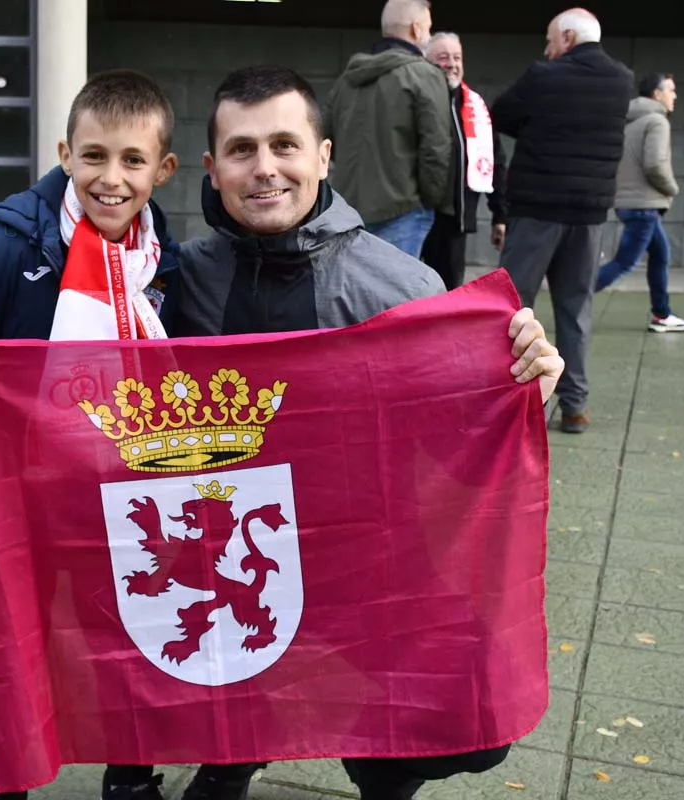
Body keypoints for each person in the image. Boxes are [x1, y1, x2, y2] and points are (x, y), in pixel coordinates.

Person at [177, 64, 565, 800]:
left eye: (286, 146)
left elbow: (456, 445)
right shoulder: (177, 281)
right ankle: (231, 754)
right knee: (224, 679)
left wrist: (522, 394)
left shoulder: (403, 289)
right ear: (212, 167)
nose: (265, 169)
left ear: (324, 156)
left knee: (439, 729)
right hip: (233, 556)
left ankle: (385, 771)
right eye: (242, 149)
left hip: (366, 558)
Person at [0, 70, 259, 800]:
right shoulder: (6, 243)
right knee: (9, 629)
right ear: (65, 154)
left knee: (139, 623)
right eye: (93, 157)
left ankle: (130, 771)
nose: (111, 178)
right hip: (23, 488)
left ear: (164, 169)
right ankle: (7, 773)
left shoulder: (168, 264)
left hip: (124, 490)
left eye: (131, 160)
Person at [491, 8, 633, 434]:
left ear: (568, 37)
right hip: (589, 216)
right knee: (575, 310)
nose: (547, 49)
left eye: (551, 41)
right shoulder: (622, 80)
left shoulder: (544, 75)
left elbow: (503, 113)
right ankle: (575, 406)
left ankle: (501, 398)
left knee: (509, 307)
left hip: (537, 211)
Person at [326, 0, 452, 258]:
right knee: (397, 297)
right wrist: (430, 200)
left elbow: (326, 140)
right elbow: (436, 149)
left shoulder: (345, 81)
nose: (429, 36)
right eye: (428, 29)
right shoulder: (425, 75)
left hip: (349, 213)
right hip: (403, 212)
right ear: (416, 29)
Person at [595, 72, 684, 332]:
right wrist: (672, 188)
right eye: (671, 90)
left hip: (631, 203)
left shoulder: (631, 121)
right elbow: (655, 164)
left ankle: (661, 314)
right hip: (644, 207)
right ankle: (574, 294)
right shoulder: (657, 121)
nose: (675, 96)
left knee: (661, 255)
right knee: (624, 262)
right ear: (657, 94)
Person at [420, 32, 508, 290]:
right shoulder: (416, 99)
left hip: (454, 221)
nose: (452, 64)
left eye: (457, 57)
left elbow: (497, 160)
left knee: (448, 291)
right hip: (416, 215)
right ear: (426, 61)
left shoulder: (475, 106)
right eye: (443, 57)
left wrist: (500, 214)